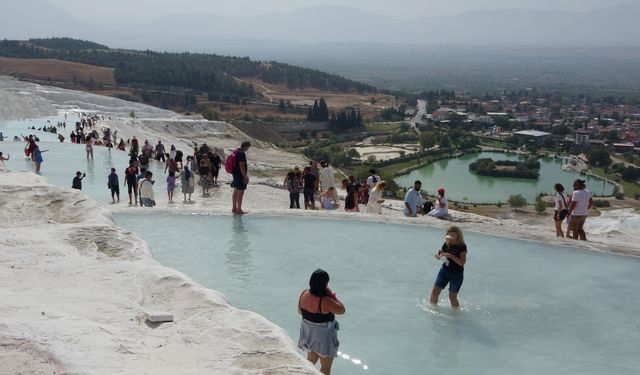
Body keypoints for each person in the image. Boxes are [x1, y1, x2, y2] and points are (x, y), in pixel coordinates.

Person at [298, 269, 346, 375]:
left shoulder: (303, 294)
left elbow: (299, 311)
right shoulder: (326, 300)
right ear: (324, 284)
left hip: (308, 335)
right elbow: (342, 310)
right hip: (323, 339)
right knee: (325, 368)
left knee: (311, 359)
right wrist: (332, 295)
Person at [430, 226, 467, 308]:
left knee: (452, 297)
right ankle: (432, 309)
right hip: (444, 271)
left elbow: (462, 263)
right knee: (435, 292)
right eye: (449, 237)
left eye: (453, 238)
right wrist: (438, 256)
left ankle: (456, 314)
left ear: (458, 236)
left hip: (456, 274)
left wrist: (450, 256)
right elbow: (441, 254)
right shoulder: (446, 243)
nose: (451, 240)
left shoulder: (462, 246)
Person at [231, 141, 251, 214]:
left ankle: (234, 208)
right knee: (241, 192)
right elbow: (241, 166)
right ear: (245, 146)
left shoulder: (236, 151)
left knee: (235, 191)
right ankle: (239, 209)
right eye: (248, 147)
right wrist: (245, 177)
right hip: (240, 175)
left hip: (235, 174)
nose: (248, 149)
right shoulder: (241, 153)